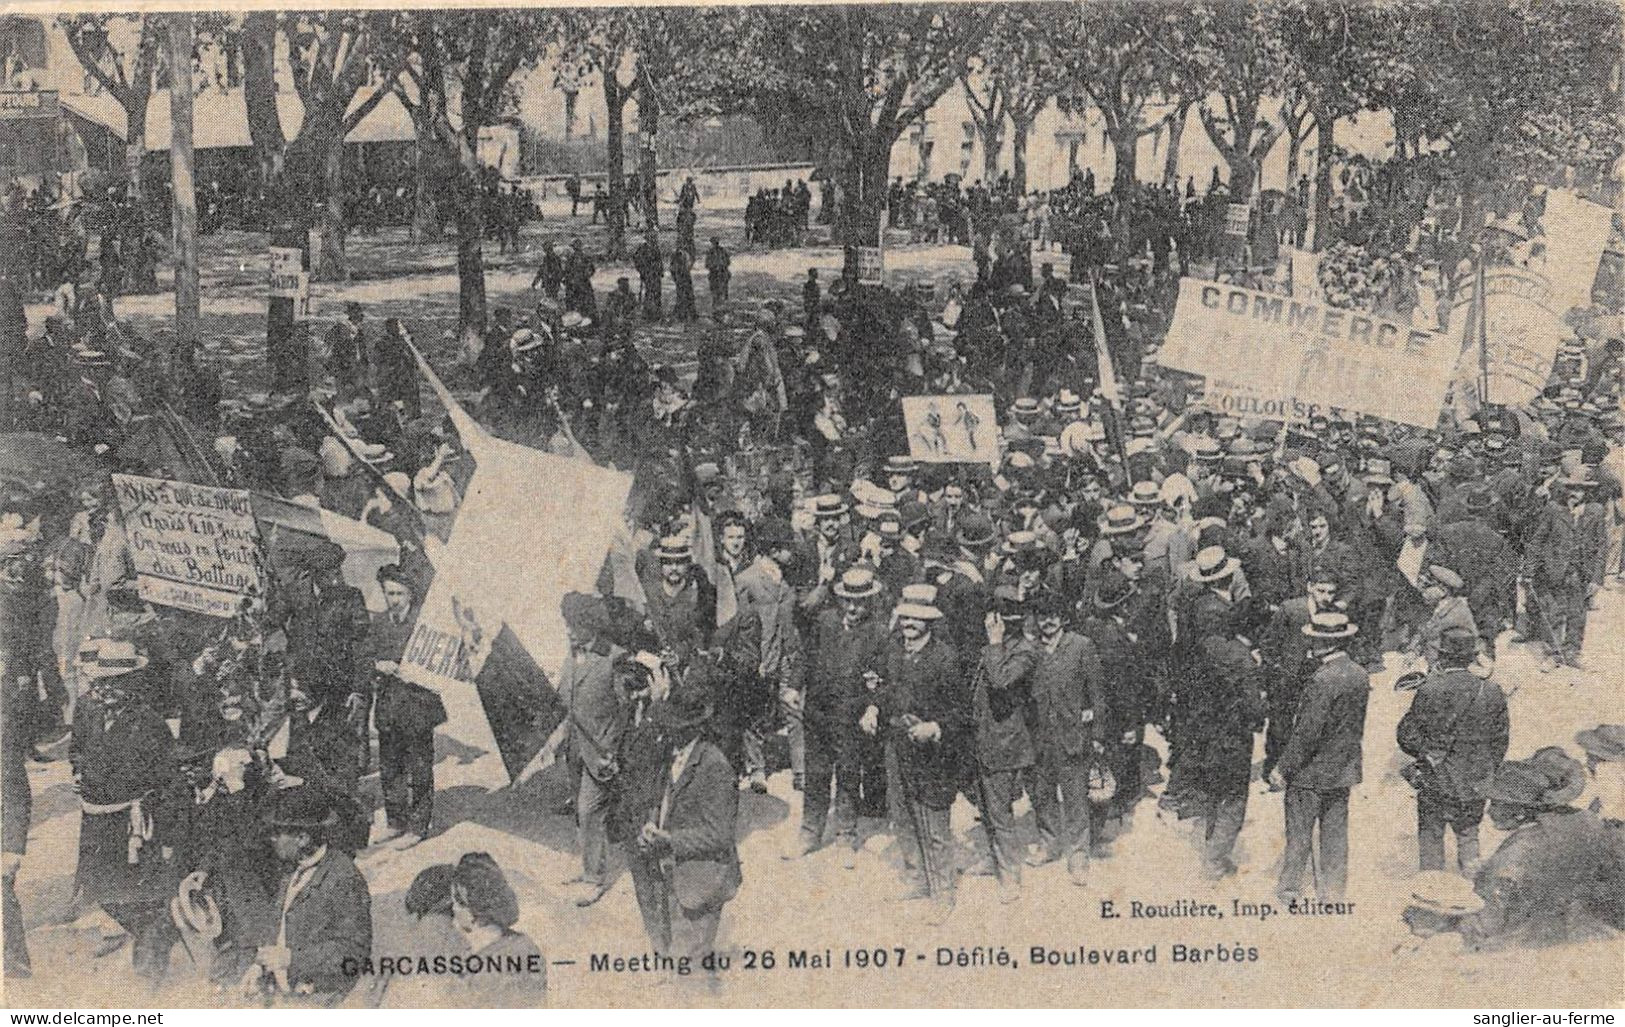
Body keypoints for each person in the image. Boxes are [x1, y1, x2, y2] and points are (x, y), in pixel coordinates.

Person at [69, 639, 179, 985]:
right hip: (95, 813)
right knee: (99, 884)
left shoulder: (149, 723)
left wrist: (162, 829)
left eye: (117, 683)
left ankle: (150, 959)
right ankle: (134, 929)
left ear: (133, 683)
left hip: (131, 821)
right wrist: (78, 772)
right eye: (102, 682)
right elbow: (77, 749)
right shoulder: (88, 708)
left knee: (134, 889)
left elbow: (167, 780)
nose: (107, 690)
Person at [628, 682, 741, 963]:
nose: (666, 730)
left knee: (690, 967)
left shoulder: (715, 766)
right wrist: (652, 825)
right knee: (678, 956)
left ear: (693, 728)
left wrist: (670, 841)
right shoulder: (674, 754)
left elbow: (719, 836)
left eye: (673, 725)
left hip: (702, 880)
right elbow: (664, 798)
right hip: (675, 874)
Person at [880, 585, 965, 925]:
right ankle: (917, 878)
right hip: (897, 746)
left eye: (917, 618)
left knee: (934, 823)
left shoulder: (945, 658)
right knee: (902, 817)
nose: (909, 624)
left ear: (930, 621)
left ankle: (943, 892)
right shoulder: (894, 651)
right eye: (905, 617)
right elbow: (886, 691)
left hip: (932, 755)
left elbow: (961, 713)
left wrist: (935, 727)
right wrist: (873, 707)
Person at [793, 566, 889, 864]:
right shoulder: (825, 622)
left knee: (848, 775)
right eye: (847, 601)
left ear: (870, 602)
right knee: (816, 774)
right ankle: (810, 832)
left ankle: (846, 835)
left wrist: (873, 707)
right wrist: (794, 687)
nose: (852, 608)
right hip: (818, 713)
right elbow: (805, 658)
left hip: (851, 716)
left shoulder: (879, 633)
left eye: (859, 603)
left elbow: (883, 677)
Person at [1272, 611, 1369, 903]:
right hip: (1343, 769)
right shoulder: (1359, 674)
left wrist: (1283, 768)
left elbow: (1307, 733)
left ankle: (1290, 890)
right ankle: (1333, 892)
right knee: (1335, 835)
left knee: (1299, 835)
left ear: (1320, 641)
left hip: (1311, 773)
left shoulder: (1322, 680)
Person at [1397, 626, 1509, 874]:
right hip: (1476, 780)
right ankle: (1471, 888)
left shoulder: (1430, 689)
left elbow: (1406, 736)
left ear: (1442, 655)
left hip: (1438, 778)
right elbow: (1500, 742)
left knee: (1431, 836)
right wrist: (1484, 770)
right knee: (1469, 835)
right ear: (1472, 657)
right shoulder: (1492, 690)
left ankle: (1432, 895)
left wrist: (1426, 753)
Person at [249, 786, 372, 1004]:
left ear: (303, 838)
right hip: (283, 986)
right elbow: (280, 926)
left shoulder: (343, 878)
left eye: (278, 833)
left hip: (322, 997)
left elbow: (354, 954)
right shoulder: (290, 866)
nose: (271, 839)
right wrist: (260, 965)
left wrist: (292, 959)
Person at [558, 592, 634, 907]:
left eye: (576, 625)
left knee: (590, 811)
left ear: (591, 625)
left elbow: (625, 711)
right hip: (575, 746)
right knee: (581, 811)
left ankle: (595, 878)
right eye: (568, 624)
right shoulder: (571, 652)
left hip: (601, 750)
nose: (570, 631)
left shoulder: (614, 658)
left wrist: (611, 750)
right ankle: (588, 864)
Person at [1027, 587, 1107, 886]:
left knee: (1075, 798)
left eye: (1053, 616)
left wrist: (1097, 733)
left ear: (1062, 618)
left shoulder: (1081, 646)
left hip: (1073, 737)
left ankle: (1078, 854)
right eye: (1041, 616)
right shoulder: (1031, 649)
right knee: (1043, 794)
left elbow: (1098, 695)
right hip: (1040, 739)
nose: (1047, 622)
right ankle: (1049, 843)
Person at [971, 586, 1039, 902]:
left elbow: (1000, 682)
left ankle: (1011, 873)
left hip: (1005, 743)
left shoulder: (1024, 651)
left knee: (1000, 812)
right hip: (982, 737)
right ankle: (993, 857)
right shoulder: (990, 647)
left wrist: (995, 643)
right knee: (984, 806)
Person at [369, 565, 445, 848]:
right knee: (390, 767)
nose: (394, 599)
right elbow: (365, 657)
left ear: (411, 594)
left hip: (417, 707)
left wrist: (413, 672)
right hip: (389, 706)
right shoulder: (378, 622)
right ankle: (395, 821)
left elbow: (439, 664)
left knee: (420, 767)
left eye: (400, 593)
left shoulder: (424, 625)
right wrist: (378, 665)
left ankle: (418, 826)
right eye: (389, 593)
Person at [705, 237, 731, 309]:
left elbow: (728, 262)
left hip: (720, 272)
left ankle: (720, 303)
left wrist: (718, 266)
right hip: (717, 272)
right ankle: (717, 303)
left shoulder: (713, 252)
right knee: (717, 288)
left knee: (720, 288)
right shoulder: (713, 252)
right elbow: (707, 264)